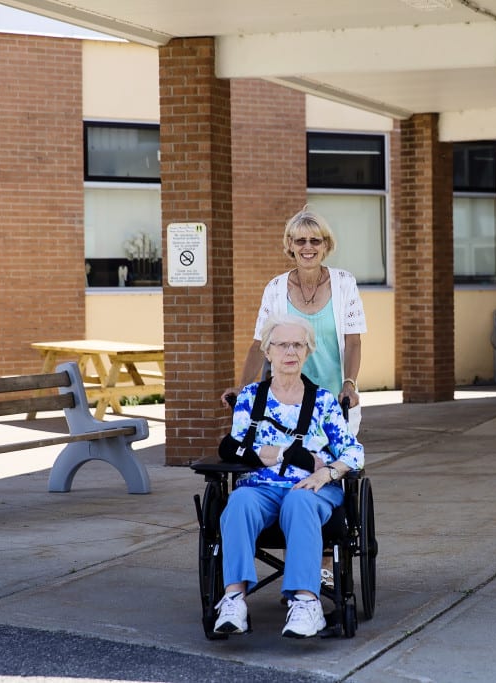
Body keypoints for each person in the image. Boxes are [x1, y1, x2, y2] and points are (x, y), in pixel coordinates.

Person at [214, 313, 365, 639]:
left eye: (298, 344)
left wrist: (325, 471)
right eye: (281, 344)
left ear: (307, 351)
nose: (290, 352)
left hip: (313, 489)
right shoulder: (250, 398)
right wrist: (288, 454)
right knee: (238, 500)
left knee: (299, 501)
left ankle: (306, 603)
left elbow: (354, 454)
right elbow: (233, 448)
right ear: (267, 352)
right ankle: (234, 600)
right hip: (261, 488)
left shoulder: (323, 401)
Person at [223, 206, 367, 435]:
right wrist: (244, 386)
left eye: (315, 241)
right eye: (300, 241)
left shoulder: (344, 283)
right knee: (290, 465)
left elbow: (353, 342)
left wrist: (349, 384)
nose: (308, 247)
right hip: (287, 402)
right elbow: (260, 344)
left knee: (334, 465)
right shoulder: (275, 288)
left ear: (326, 245)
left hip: (335, 399)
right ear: (290, 244)